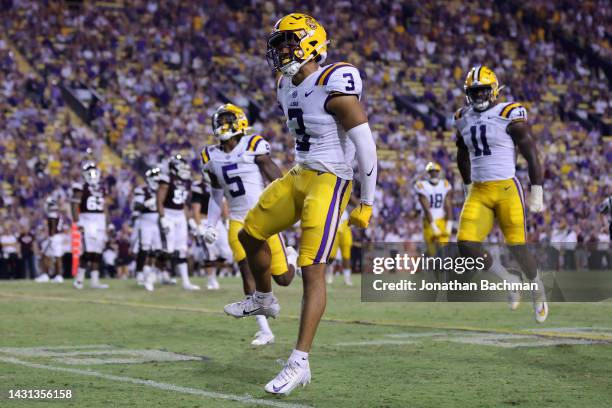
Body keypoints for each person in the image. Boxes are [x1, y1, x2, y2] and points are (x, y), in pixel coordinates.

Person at [224, 14, 377, 394]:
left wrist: (367, 202)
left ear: (311, 43)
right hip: (300, 172)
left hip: (330, 178)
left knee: (312, 269)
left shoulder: (332, 82)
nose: (280, 51)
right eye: (278, 44)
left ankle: (299, 362)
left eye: (287, 43)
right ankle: (263, 299)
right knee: (250, 233)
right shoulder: (285, 85)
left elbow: (366, 145)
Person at [454, 65, 547, 321]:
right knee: (466, 245)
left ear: (494, 90)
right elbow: (461, 154)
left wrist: (536, 189)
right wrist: (467, 185)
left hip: (507, 188)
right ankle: (508, 279)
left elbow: (531, 153)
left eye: (483, 91)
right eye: (474, 92)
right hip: (480, 191)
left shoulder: (508, 113)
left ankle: (537, 290)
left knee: (518, 247)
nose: (479, 96)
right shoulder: (462, 116)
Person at [200, 103, 298, 346]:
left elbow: (273, 174)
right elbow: (215, 195)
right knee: (247, 269)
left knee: (283, 279)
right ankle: (264, 329)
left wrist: (292, 197)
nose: (223, 125)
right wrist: (210, 225)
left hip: (263, 217)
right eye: (219, 120)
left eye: (227, 119)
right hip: (236, 220)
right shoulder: (209, 156)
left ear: (239, 122)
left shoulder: (253, 145)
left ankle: (291, 256)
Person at [156, 154, 200, 290]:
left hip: (180, 215)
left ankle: (186, 282)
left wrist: (190, 221)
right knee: (168, 250)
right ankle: (156, 272)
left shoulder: (186, 182)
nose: (185, 169)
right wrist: (162, 217)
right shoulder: (167, 179)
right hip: (168, 214)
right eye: (181, 166)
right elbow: (159, 201)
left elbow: (185, 205)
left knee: (181, 250)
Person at [72, 161, 111, 289]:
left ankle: (95, 280)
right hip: (87, 219)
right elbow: (74, 205)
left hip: (99, 220)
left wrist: (108, 224)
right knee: (88, 251)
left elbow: (104, 207)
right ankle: (79, 279)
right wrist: (77, 222)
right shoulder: (80, 187)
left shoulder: (101, 188)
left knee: (98, 251)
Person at [132, 167, 163, 291]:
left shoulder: (161, 190)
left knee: (157, 249)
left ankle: (150, 271)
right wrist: (146, 204)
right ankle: (140, 273)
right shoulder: (142, 190)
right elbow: (136, 206)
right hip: (145, 220)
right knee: (144, 248)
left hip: (158, 221)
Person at [414, 162, 453, 256]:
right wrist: (433, 226)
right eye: (432, 172)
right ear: (428, 173)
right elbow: (426, 209)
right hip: (428, 221)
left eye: (436, 171)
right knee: (432, 251)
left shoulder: (445, 184)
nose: (434, 173)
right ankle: (428, 264)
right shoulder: (422, 185)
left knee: (444, 249)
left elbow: (448, 206)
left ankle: (444, 268)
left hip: (441, 219)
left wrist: (449, 224)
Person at [37, 195, 64, 283]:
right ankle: (58, 276)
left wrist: (51, 237)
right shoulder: (59, 214)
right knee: (57, 256)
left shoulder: (52, 214)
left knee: (45, 256)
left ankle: (45, 275)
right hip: (58, 237)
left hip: (53, 237)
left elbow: (52, 225)